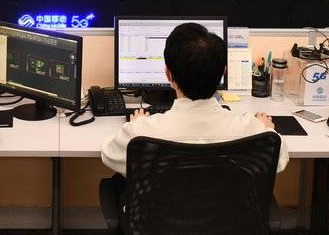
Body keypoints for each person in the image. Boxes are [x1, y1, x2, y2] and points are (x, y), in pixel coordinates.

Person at [101, 22, 289, 175]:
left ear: (168, 74)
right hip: (228, 212)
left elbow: (108, 155)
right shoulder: (254, 132)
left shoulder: (140, 134)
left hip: (164, 212)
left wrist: (137, 125)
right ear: (223, 72)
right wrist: (267, 129)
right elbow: (279, 161)